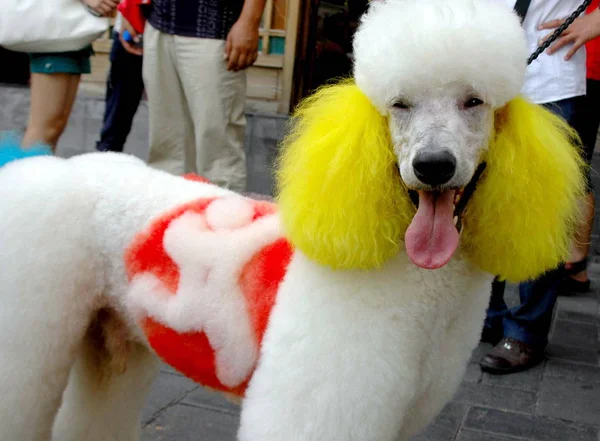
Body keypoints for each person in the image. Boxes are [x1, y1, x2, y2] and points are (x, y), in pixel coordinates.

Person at [481, 0, 600, 375]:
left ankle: (526, 331)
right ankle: (488, 315)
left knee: (542, 210)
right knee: (485, 202)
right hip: (483, 70)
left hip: (550, 77)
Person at [121, 0, 266, 192]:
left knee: (217, 144)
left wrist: (249, 21)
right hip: (158, 25)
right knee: (165, 142)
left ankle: (222, 217)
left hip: (214, 30)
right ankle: (170, 215)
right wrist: (128, 8)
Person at [22, 0, 119, 151]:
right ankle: (24, 173)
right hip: (53, 32)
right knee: (43, 131)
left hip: (71, 33)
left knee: (54, 127)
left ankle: (38, 172)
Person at [96, 11, 145, 153]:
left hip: (185, 34)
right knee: (115, 124)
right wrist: (128, 11)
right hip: (134, 26)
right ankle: (106, 165)